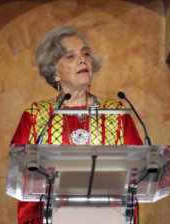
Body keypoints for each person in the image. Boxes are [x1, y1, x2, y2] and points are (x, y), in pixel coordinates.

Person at [11, 26, 143, 224]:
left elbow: (139, 172)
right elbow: (20, 179)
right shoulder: (36, 116)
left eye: (86, 53)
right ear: (54, 72)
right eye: (70, 56)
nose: (82, 59)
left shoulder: (115, 112)